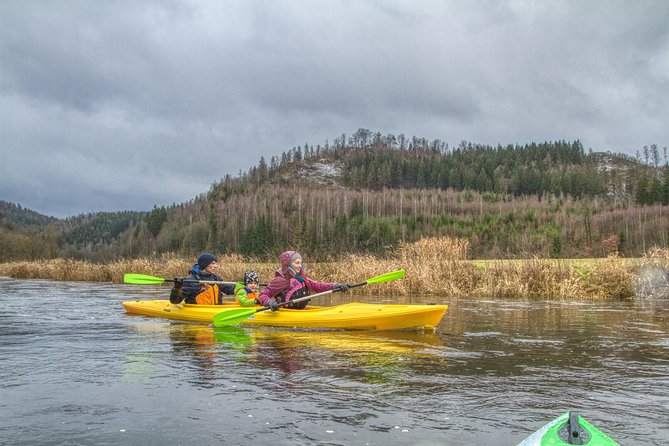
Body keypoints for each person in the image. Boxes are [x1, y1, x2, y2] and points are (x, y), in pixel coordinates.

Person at [256, 251, 349, 311]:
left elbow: (318, 286)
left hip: (302, 310)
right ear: (288, 265)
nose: (300, 266)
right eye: (297, 263)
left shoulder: (301, 278)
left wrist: (336, 286)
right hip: (286, 313)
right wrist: (269, 302)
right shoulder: (280, 280)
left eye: (301, 263)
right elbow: (263, 295)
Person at [170, 253, 236, 304]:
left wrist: (242, 288)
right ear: (205, 265)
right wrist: (177, 288)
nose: (216, 266)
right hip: (198, 314)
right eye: (213, 263)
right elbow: (175, 301)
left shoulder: (215, 278)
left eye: (216, 263)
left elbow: (228, 288)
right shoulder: (191, 281)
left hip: (214, 309)